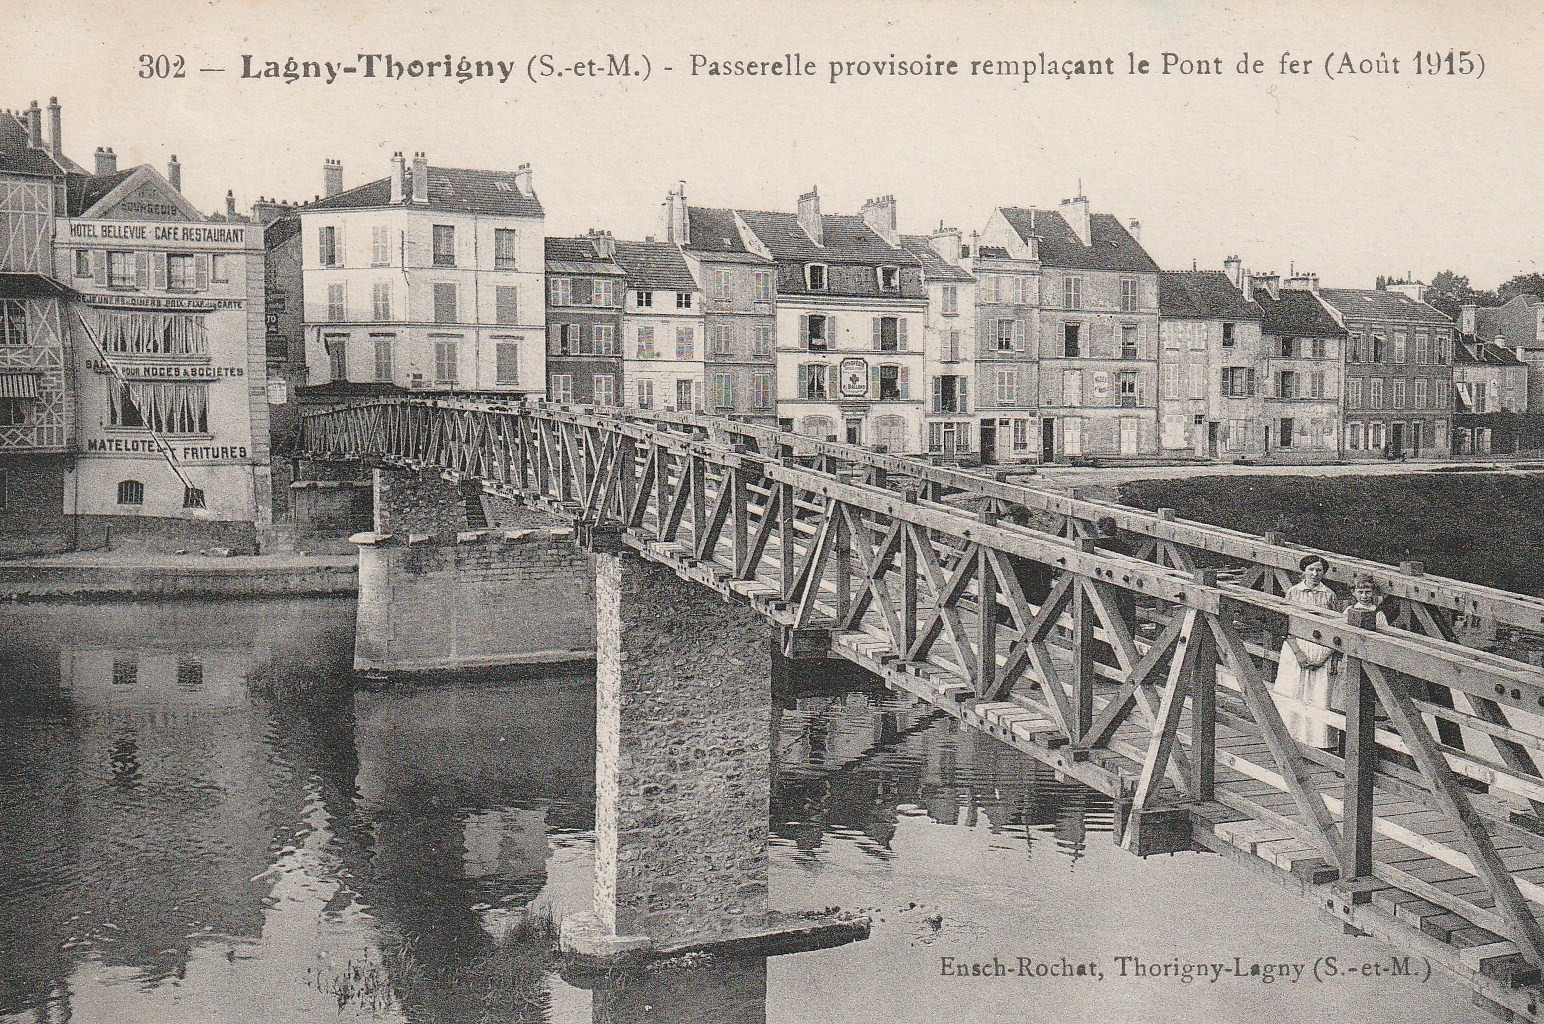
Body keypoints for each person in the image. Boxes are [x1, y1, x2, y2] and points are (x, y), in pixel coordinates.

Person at [1272, 554, 1339, 749]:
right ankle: (1288, 740)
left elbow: (1335, 628)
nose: (1315, 574)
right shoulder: (1294, 592)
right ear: (1304, 571)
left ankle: (1318, 743)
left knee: (1318, 695)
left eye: (1319, 570)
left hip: (1321, 648)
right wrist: (1298, 653)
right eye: (1311, 569)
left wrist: (1327, 655)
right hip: (1297, 646)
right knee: (1292, 690)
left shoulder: (1329, 595)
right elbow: (1284, 623)